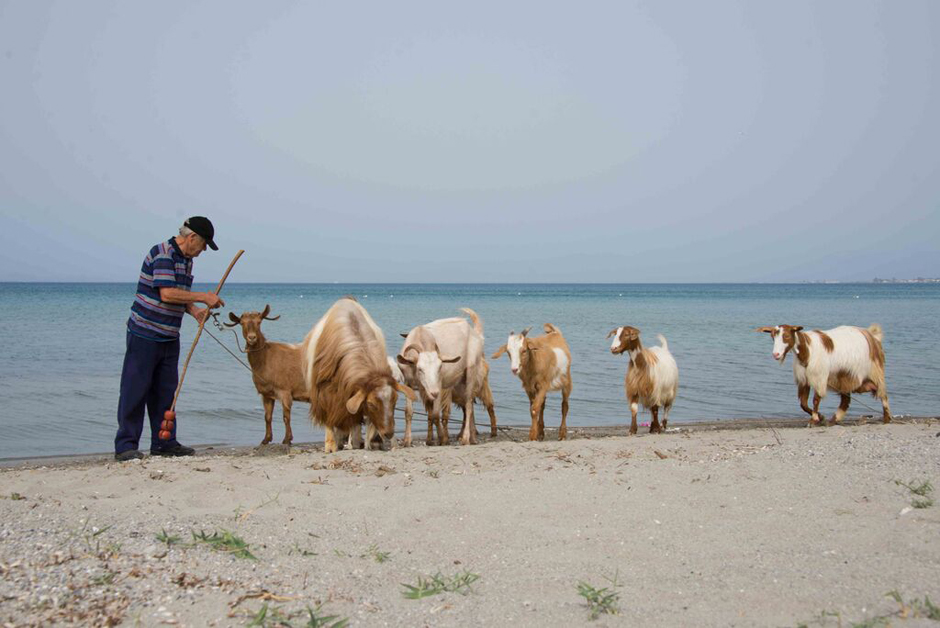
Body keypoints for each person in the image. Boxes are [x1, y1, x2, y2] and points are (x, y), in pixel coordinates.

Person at [114, 217, 225, 461]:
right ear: (192, 237)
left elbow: (181, 295)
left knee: (166, 394)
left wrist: (194, 311)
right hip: (144, 333)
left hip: (168, 335)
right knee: (135, 389)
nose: (204, 250)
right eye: (204, 244)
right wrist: (203, 298)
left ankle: (164, 443)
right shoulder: (163, 254)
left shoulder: (186, 261)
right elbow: (167, 293)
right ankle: (126, 445)